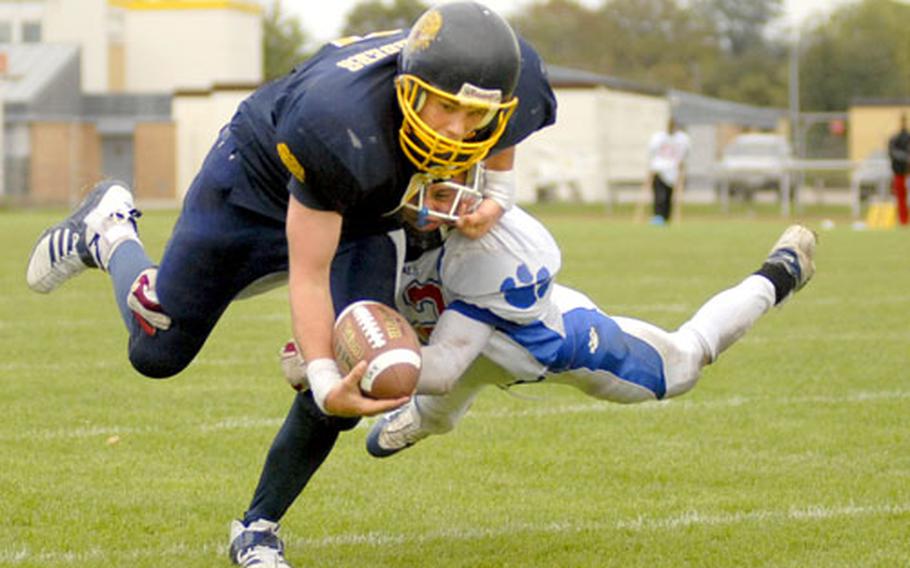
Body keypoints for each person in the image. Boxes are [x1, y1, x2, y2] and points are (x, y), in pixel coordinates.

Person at [24, 2, 557, 567]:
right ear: (410, 85)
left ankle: (257, 527)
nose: (456, 128)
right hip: (254, 184)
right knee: (157, 351)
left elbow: (501, 127)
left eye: (472, 114)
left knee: (365, 366)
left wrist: (498, 191)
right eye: (445, 106)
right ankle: (108, 232)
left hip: (364, 214)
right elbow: (309, 274)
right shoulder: (337, 122)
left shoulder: (511, 76)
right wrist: (322, 373)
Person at [283, 171, 814, 458]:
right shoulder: (375, 235)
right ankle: (422, 421)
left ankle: (777, 275)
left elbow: (442, 369)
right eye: (431, 186)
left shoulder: (493, 246)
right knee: (435, 410)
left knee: (685, 363)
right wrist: (320, 351)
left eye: (448, 187)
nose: (445, 201)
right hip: (447, 347)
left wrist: (322, 367)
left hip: (538, 345)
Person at [644, 118, 690, 225]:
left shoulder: (682, 139)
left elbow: (685, 152)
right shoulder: (659, 137)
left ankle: (666, 217)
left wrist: (682, 163)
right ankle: (658, 216)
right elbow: (652, 151)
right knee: (660, 195)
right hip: (659, 169)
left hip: (673, 170)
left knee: (669, 195)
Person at [888, 113, 910, 226]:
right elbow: (892, 153)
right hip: (899, 173)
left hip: (908, 173)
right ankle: (903, 221)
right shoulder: (895, 138)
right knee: (901, 198)